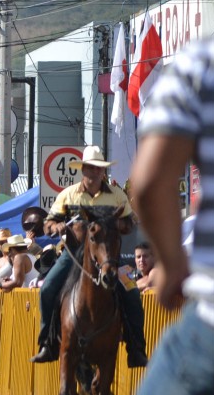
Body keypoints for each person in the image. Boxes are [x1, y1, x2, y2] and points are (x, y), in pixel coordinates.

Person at [90, 36, 214, 395]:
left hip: (213, 321)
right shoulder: (72, 197)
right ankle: (50, 336)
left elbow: (149, 185)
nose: (93, 172)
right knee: (51, 294)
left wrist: (170, 262)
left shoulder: (203, 63)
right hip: (80, 257)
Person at [31, 145, 148, 367]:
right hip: (74, 255)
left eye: (98, 169)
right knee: (47, 289)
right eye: (90, 168)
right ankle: (48, 342)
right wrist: (56, 227)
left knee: (132, 293)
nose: (94, 173)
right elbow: (48, 224)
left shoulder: (117, 195)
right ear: (82, 169)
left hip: (109, 256)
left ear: (103, 171)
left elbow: (131, 221)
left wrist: (119, 224)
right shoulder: (68, 194)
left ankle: (136, 349)